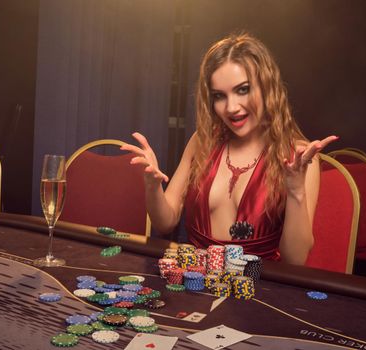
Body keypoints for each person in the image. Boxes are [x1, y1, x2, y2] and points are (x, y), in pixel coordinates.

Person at [121, 33, 337, 264]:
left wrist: (295, 191)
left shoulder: (299, 156)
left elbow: (295, 260)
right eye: (219, 96)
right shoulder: (201, 141)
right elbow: (166, 222)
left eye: (242, 89)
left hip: (261, 290)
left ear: (267, 86)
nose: (231, 107)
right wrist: (153, 187)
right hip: (195, 286)